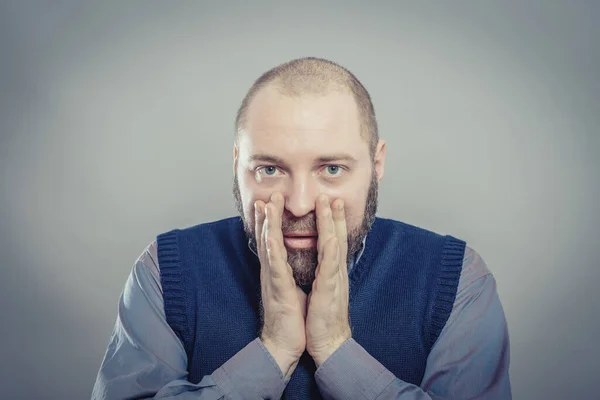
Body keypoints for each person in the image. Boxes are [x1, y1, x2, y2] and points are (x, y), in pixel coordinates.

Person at [92, 57, 511, 400]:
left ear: (376, 164)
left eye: (332, 169)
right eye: (269, 169)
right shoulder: (165, 273)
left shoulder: (457, 281)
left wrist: (337, 353)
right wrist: (272, 352)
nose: (298, 203)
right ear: (237, 163)